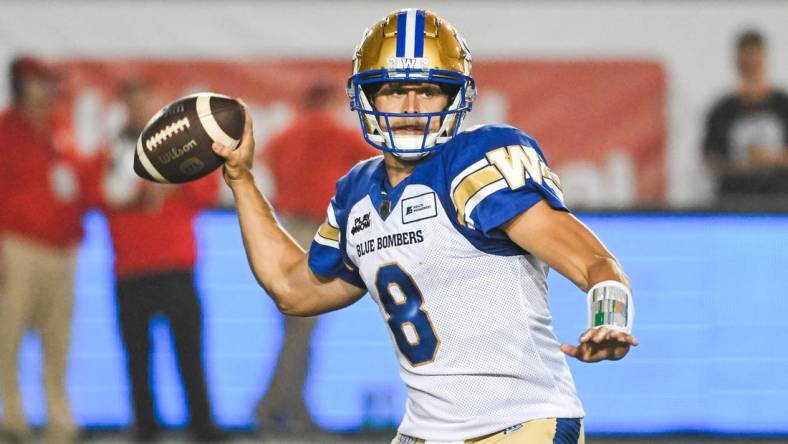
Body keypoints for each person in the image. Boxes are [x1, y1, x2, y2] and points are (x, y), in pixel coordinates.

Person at [213, 9, 637, 443]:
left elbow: (595, 263)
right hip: (424, 434)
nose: (412, 108)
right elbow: (291, 287)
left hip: (521, 423)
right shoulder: (357, 193)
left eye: (429, 90)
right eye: (395, 90)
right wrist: (241, 179)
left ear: (456, 98)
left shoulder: (475, 162)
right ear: (369, 98)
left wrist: (611, 319)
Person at [101, 77, 225, 442]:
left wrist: (171, 181)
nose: (140, 110)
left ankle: (202, 425)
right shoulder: (112, 148)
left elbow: (207, 191)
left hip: (176, 267)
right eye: (133, 102)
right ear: (123, 107)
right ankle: (146, 427)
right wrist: (143, 187)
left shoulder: (182, 146)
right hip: (131, 269)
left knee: (189, 354)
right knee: (138, 359)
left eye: (146, 101)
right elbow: (102, 194)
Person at [255, 82, 375, 434]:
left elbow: (267, 167)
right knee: (302, 327)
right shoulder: (335, 132)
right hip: (318, 234)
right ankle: (274, 406)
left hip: (287, 230)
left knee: (296, 327)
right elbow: (380, 163)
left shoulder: (284, 135)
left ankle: (290, 406)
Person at [0, 56, 100, 443]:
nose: (47, 92)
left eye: (50, 84)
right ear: (21, 86)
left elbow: (78, 183)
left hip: (62, 249)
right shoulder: (6, 130)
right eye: (38, 83)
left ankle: (60, 421)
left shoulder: (62, 127)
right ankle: (12, 418)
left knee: (58, 339)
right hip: (18, 247)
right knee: (9, 335)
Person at [703, 29, 788, 204]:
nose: (750, 61)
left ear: (763, 57)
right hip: (735, 199)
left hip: (779, 201)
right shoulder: (722, 110)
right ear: (737, 59)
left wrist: (770, 159)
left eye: (754, 55)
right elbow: (710, 157)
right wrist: (743, 165)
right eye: (746, 55)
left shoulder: (783, 105)